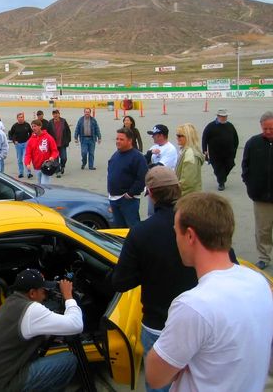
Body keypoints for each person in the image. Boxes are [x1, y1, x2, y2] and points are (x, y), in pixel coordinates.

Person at [145, 192, 273, 392]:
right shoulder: (259, 282)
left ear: (189, 236)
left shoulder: (192, 305)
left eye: (176, 232)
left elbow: (155, 377)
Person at [110, 166, 197, 392]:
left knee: (159, 385)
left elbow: (121, 281)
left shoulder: (142, 232)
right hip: (198, 323)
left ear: (151, 193)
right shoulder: (200, 223)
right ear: (178, 189)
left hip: (159, 326)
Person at [0, 268, 83, 392]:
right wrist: (68, 296)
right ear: (32, 293)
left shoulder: (11, 301)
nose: (45, 295)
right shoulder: (32, 310)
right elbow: (76, 325)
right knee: (68, 360)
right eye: (44, 291)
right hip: (2, 386)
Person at [241, 110, 273, 270]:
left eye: (271, 129)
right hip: (261, 197)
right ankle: (264, 257)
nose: (267, 131)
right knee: (263, 230)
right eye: (265, 128)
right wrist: (250, 185)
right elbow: (245, 166)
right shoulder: (253, 143)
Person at [107, 128, 148, 228]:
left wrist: (130, 194)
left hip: (128, 201)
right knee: (119, 229)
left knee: (133, 228)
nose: (118, 141)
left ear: (130, 141)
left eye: (121, 139)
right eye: (117, 139)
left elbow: (143, 178)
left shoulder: (137, 157)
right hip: (114, 199)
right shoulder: (115, 155)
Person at [202, 108, 239, 191]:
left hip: (229, 153)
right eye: (222, 116)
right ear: (218, 116)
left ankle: (222, 177)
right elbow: (204, 138)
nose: (224, 118)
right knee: (218, 168)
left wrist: (234, 149)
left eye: (225, 116)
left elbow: (236, 138)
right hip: (215, 153)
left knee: (230, 165)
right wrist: (204, 150)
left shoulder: (230, 126)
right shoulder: (210, 126)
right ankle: (221, 183)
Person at [25, 120, 59, 185]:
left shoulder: (48, 137)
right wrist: (27, 163)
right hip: (36, 167)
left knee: (44, 185)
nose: (33, 128)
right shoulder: (30, 140)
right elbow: (28, 154)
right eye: (32, 126)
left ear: (40, 126)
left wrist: (52, 157)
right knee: (39, 185)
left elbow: (55, 150)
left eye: (35, 126)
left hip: (46, 166)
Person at [174, 123, 205, 196]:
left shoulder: (190, 153)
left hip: (187, 197)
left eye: (179, 136)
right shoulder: (187, 150)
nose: (177, 138)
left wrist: (175, 193)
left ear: (188, 137)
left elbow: (187, 182)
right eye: (177, 135)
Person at [47, 109, 72, 178]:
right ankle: (57, 171)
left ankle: (62, 166)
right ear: (53, 115)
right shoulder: (50, 122)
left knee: (64, 158)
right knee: (56, 159)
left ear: (59, 114)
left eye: (57, 113)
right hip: (54, 145)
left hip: (62, 144)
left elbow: (68, 131)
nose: (55, 115)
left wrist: (68, 140)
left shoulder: (63, 121)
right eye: (54, 114)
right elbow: (48, 134)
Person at [8, 112, 33, 179]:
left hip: (26, 144)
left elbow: (31, 133)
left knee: (26, 159)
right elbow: (10, 134)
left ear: (23, 118)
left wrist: (29, 140)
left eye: (22, 117)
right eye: (19, 117)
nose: (20, 118)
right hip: (18, 144)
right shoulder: (14, 126)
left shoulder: (27, 125)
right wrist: (14, 141)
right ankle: (21, 173)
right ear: (17, 118)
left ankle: (29, 173)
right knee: (19, 160)